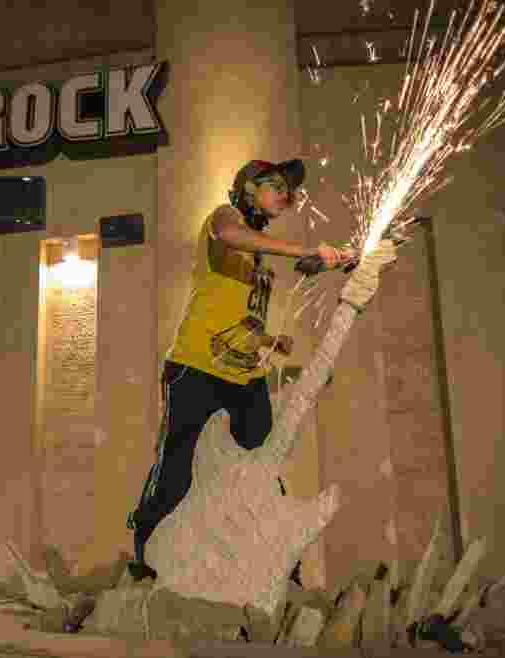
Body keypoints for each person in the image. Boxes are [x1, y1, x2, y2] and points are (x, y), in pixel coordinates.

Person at [126, 159, 352, 581]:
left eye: (290, 190)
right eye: (277, 186)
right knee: (178, 463)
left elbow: (240, 315)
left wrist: (270, 341)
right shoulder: (224, 216)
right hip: (195, 366)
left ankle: (283, 567)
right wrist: (306, 250)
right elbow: (229, 234)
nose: (287, 195)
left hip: (243, 377)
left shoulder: (261, 255)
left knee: (265, 468)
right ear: (248, 188)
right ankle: (146, 557)